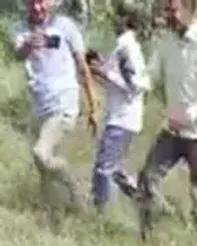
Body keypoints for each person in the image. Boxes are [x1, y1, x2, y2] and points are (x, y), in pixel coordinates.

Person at [136, 0, 197, 240]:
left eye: (173, 10)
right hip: (173, 130)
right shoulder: (166, 43)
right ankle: (148, 235)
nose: (168, 16)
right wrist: (122, 77)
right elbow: (151, 76)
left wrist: (191, 113)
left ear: (190, 9)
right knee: (148, 177)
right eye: (167, 10)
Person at [10, 0, 97, 207]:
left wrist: (93, 105)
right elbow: (19, 55)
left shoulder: (65, 26)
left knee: (40, 153)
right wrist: (28, 45)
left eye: (41, 2)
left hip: (64, 105)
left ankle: (75, 187)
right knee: (44, 169)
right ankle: (53, 210)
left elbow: (83, 67)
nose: (37, 7)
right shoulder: (21, 30)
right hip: (41, 107)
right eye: (32, 3)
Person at [86, 2, 147, 211]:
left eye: (117, 16)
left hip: (123, 118)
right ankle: (144, 198)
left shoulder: (126, 48)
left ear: (125, 19)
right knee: (115, 169)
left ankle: (98, 213)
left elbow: (136, 85)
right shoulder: (125, 47)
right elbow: (120, 83)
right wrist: (100, 69)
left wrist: (105, 73)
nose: (113, 19)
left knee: (103, 168)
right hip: (124, 117)